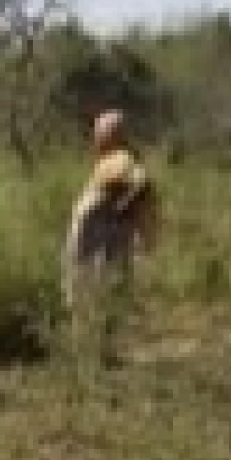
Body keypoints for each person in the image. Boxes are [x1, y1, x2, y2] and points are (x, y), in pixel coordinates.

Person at [62, 109, 159, 311]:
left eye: (98, 134)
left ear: (109, 136)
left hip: (97, 240)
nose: (94, 141)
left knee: (89, 295)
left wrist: (129, 217)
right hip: (102, 240)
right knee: (104, 294)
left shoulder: (120, 158)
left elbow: (142, 183)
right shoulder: (111, 162)